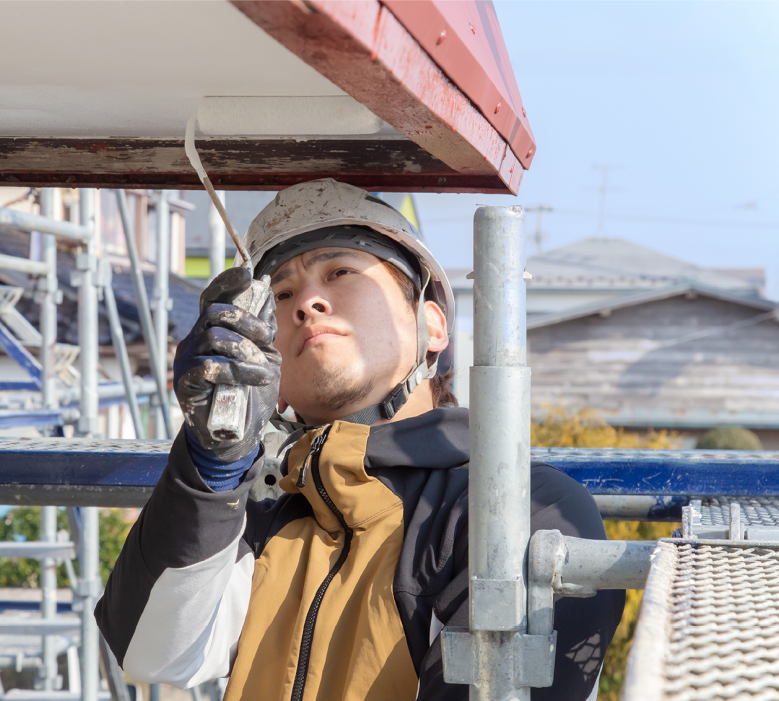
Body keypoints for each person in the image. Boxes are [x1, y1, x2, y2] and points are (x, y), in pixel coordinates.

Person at [95, 179, 623, 701]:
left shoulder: (519, 512)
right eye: (281, 293)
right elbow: (154, 652)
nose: (307, 303)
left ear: (431, 325)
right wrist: (210, 462)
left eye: (340, 271)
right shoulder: (256, 504)